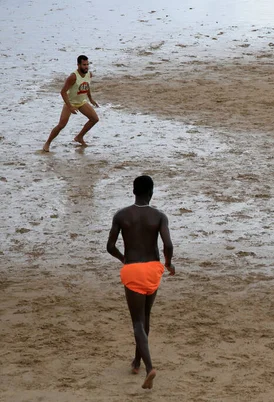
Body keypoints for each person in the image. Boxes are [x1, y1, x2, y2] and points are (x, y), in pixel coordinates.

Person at [106, 176, 175, 389]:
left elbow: (110, 246)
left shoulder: (121, 215)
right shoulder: (159, 216)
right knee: (145, 317)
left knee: (137, 322)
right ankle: (136, 362)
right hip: (154, 270)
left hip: (133, 270)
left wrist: (123, 259)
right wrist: (168, 263)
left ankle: (148, 368)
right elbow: (168, 244)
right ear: (151, 193)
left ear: (133, 191)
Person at [43, 55, 99, 152]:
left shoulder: (89, 74)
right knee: (61, 125)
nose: (86, 67)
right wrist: (70, 106)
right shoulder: (73, 77)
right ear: (78, 65)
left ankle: (79, 137)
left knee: (94, 119)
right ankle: (47, 143)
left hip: (81, 102)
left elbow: (87, 85)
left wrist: (91, 99)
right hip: (70, 103)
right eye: (84, 65)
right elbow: (63, 92)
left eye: (87, 64)